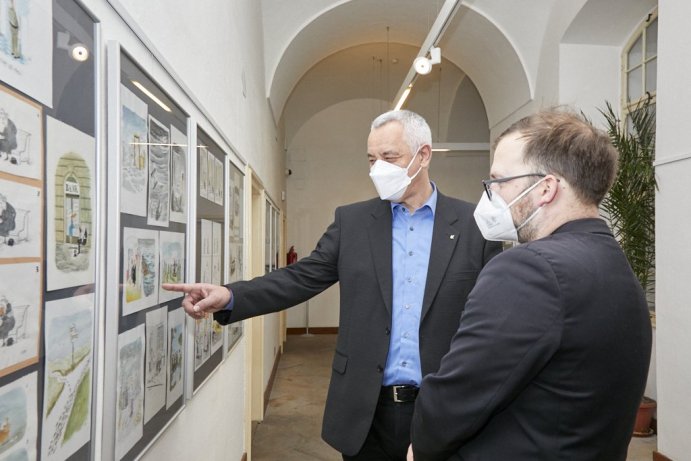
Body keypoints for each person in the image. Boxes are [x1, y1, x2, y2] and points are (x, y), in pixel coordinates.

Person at [164, 110, 502, 459]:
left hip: (443, 407)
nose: (378, 169)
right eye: (372, 159)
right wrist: (232, 295)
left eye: (389, 157)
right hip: (367, 409)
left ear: (424, 155)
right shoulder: (353, 222)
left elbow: (494, 319)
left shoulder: (474, 226)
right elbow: (301, 277)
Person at [408, 108, 652, 461]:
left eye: (499, 181)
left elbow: (456, 399)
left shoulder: (528, 270)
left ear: (546, 188)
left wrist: (422, 443)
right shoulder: (615, 263)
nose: (490, 195)